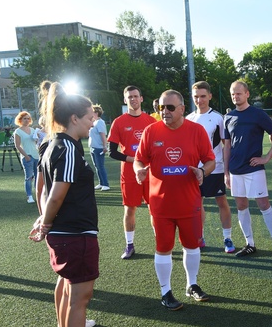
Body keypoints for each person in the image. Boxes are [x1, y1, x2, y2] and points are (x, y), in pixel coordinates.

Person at [29, 81, 114, 327]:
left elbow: (43, 190)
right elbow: (56, 193)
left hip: (67, 234)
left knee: (68, 291)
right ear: (74, 118)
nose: (93, 122)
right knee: (79, 298)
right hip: (74, 234)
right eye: (89, 117)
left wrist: (45, 220)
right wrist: (46, 222)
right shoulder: (66, 147)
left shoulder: (55, 143)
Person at [134, 89, 216, 309]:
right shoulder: (151, 131)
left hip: (189, 201)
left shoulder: (196, 131)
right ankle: (166, 292)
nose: (165, 111)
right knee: (163, 247)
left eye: (170, 107)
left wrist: (203, 172)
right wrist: (139, 169)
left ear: (182, 109)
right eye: (161, 107)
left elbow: (210, 160)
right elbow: (139, 159)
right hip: (160, 204)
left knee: (192, 245)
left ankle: (192, 284)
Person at [223, 81, 272, 258]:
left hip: (254, 169)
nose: (235, 97)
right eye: (233, 94)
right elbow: (227, 146)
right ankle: (249, 243)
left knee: (264, 205)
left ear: (247, 94)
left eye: (239, 93)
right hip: (235, 170)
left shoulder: (258, 114)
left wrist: (266, 158)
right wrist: (226, 172)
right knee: (241, 206)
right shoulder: (228, 117)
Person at [186, 81, 235, 253]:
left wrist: (227, 170)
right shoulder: (188, 119)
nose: (199, 100)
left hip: (216, 167)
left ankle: (227, 237)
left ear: (210, 96)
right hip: (195, 169)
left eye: (203, 96)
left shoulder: (218, 118)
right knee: (197, 204)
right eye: (196, 97)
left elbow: (226, 144)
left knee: (221, 201)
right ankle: (199, 237)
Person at [108, 86, 153, 259]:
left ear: (141, 98)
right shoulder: (119, 122)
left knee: (154, 209)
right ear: (125, 100)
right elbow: (112, 152)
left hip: (150, 173)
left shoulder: (151, 121)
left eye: (135, 96)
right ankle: (129, 245)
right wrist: (134, 160)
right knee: (130, 209)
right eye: (129, 97)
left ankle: (161, 242)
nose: (133, 99)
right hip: (129, 174)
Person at [13, 111, 39, 204]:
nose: (27, 120)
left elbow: (36, 142)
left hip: (36, 156)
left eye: (28, 118)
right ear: (20, 120)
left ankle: (38, 194)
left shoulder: (33, 130)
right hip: (27, 157)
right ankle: (29, 196)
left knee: (38, 176)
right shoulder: (18, 131)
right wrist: (26, 156)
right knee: (29, 177)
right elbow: (17, 145)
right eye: (25, 118)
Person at [89, 104, 110, 191]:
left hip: (98, 148)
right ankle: (101, 183)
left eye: (92, 112)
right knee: (96, 166)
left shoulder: (100, 122)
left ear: (96, 113)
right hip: (93, 147)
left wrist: (105, 146)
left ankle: (106, 184)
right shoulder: (94, 122)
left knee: (100, 166)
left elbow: (103, 135)